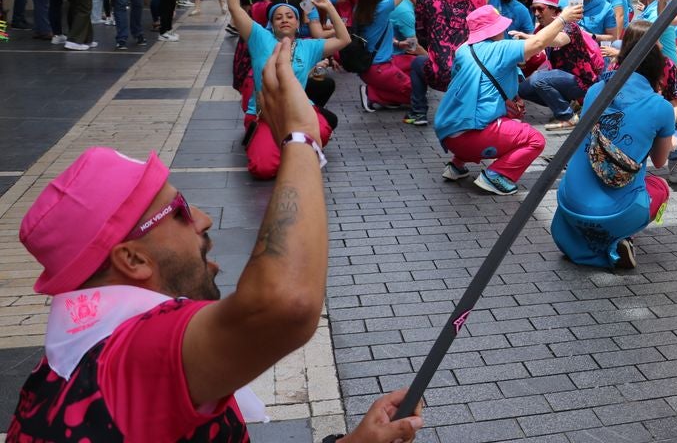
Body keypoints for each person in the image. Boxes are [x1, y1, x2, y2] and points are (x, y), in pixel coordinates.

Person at [8, 43, 424, 442]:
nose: (204, 220)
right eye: (180, 212)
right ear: (132, 259)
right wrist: (301, 138)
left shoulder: (73, 359)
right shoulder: (129, 356)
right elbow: (285, 304)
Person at [552, 19, 676, 269]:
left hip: (568, 203)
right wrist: (668, 140)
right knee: (660, 187)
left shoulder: (596, 90)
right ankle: (621, 237)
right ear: (656, 60)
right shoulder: (661, 107)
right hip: (614, 212)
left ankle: (592, 241)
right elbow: (660, 162)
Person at [225, 0, 351, 179]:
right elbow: (234, 8)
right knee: (263, 169)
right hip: (264, 115)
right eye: (278, 17)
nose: (284, 19)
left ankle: (289, 147)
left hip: (298, 112)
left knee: (322, 130)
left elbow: (344, 40)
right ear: (271, 24)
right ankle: (277, 146)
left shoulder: (308, 46)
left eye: (289, 16)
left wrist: (328, 6)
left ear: (297, 22)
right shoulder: (260, 39)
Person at [435, 2, 583, 195]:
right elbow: (538, 43)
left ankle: (456, 165)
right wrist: (563, 19)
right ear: (494, 30)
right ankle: (495, 176)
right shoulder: (500, 48)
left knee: (500, 116)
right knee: (535, 140)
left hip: (448, 133)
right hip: (470, 137)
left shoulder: (463, 49)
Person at [402, 0, 492, 126]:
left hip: (439, 75)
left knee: (418, 63)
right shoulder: (473, 6)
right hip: (466, 76)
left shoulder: (432, 4)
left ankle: (418, 113)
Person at [517, 0, 606, 133]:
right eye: (534, 9)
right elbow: (530, 54)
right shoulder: (541, 29)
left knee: (538, 79)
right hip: (562, 79)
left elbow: (558, 41)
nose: (536, 14)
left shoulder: (570, 26)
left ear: (553, 10)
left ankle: (567, 116)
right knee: (522, 89)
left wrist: (528, 37)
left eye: (540, 9)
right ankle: (566, 103)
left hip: (583, 82)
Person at [356, 0, 419, 112]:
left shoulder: (358, 9)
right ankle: (373, 94)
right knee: (418, 93)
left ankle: (380, 91)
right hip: (380, 68)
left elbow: (373, 36)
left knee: (417, 65)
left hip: (370, 66)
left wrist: (398, 43)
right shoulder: (382, 8)